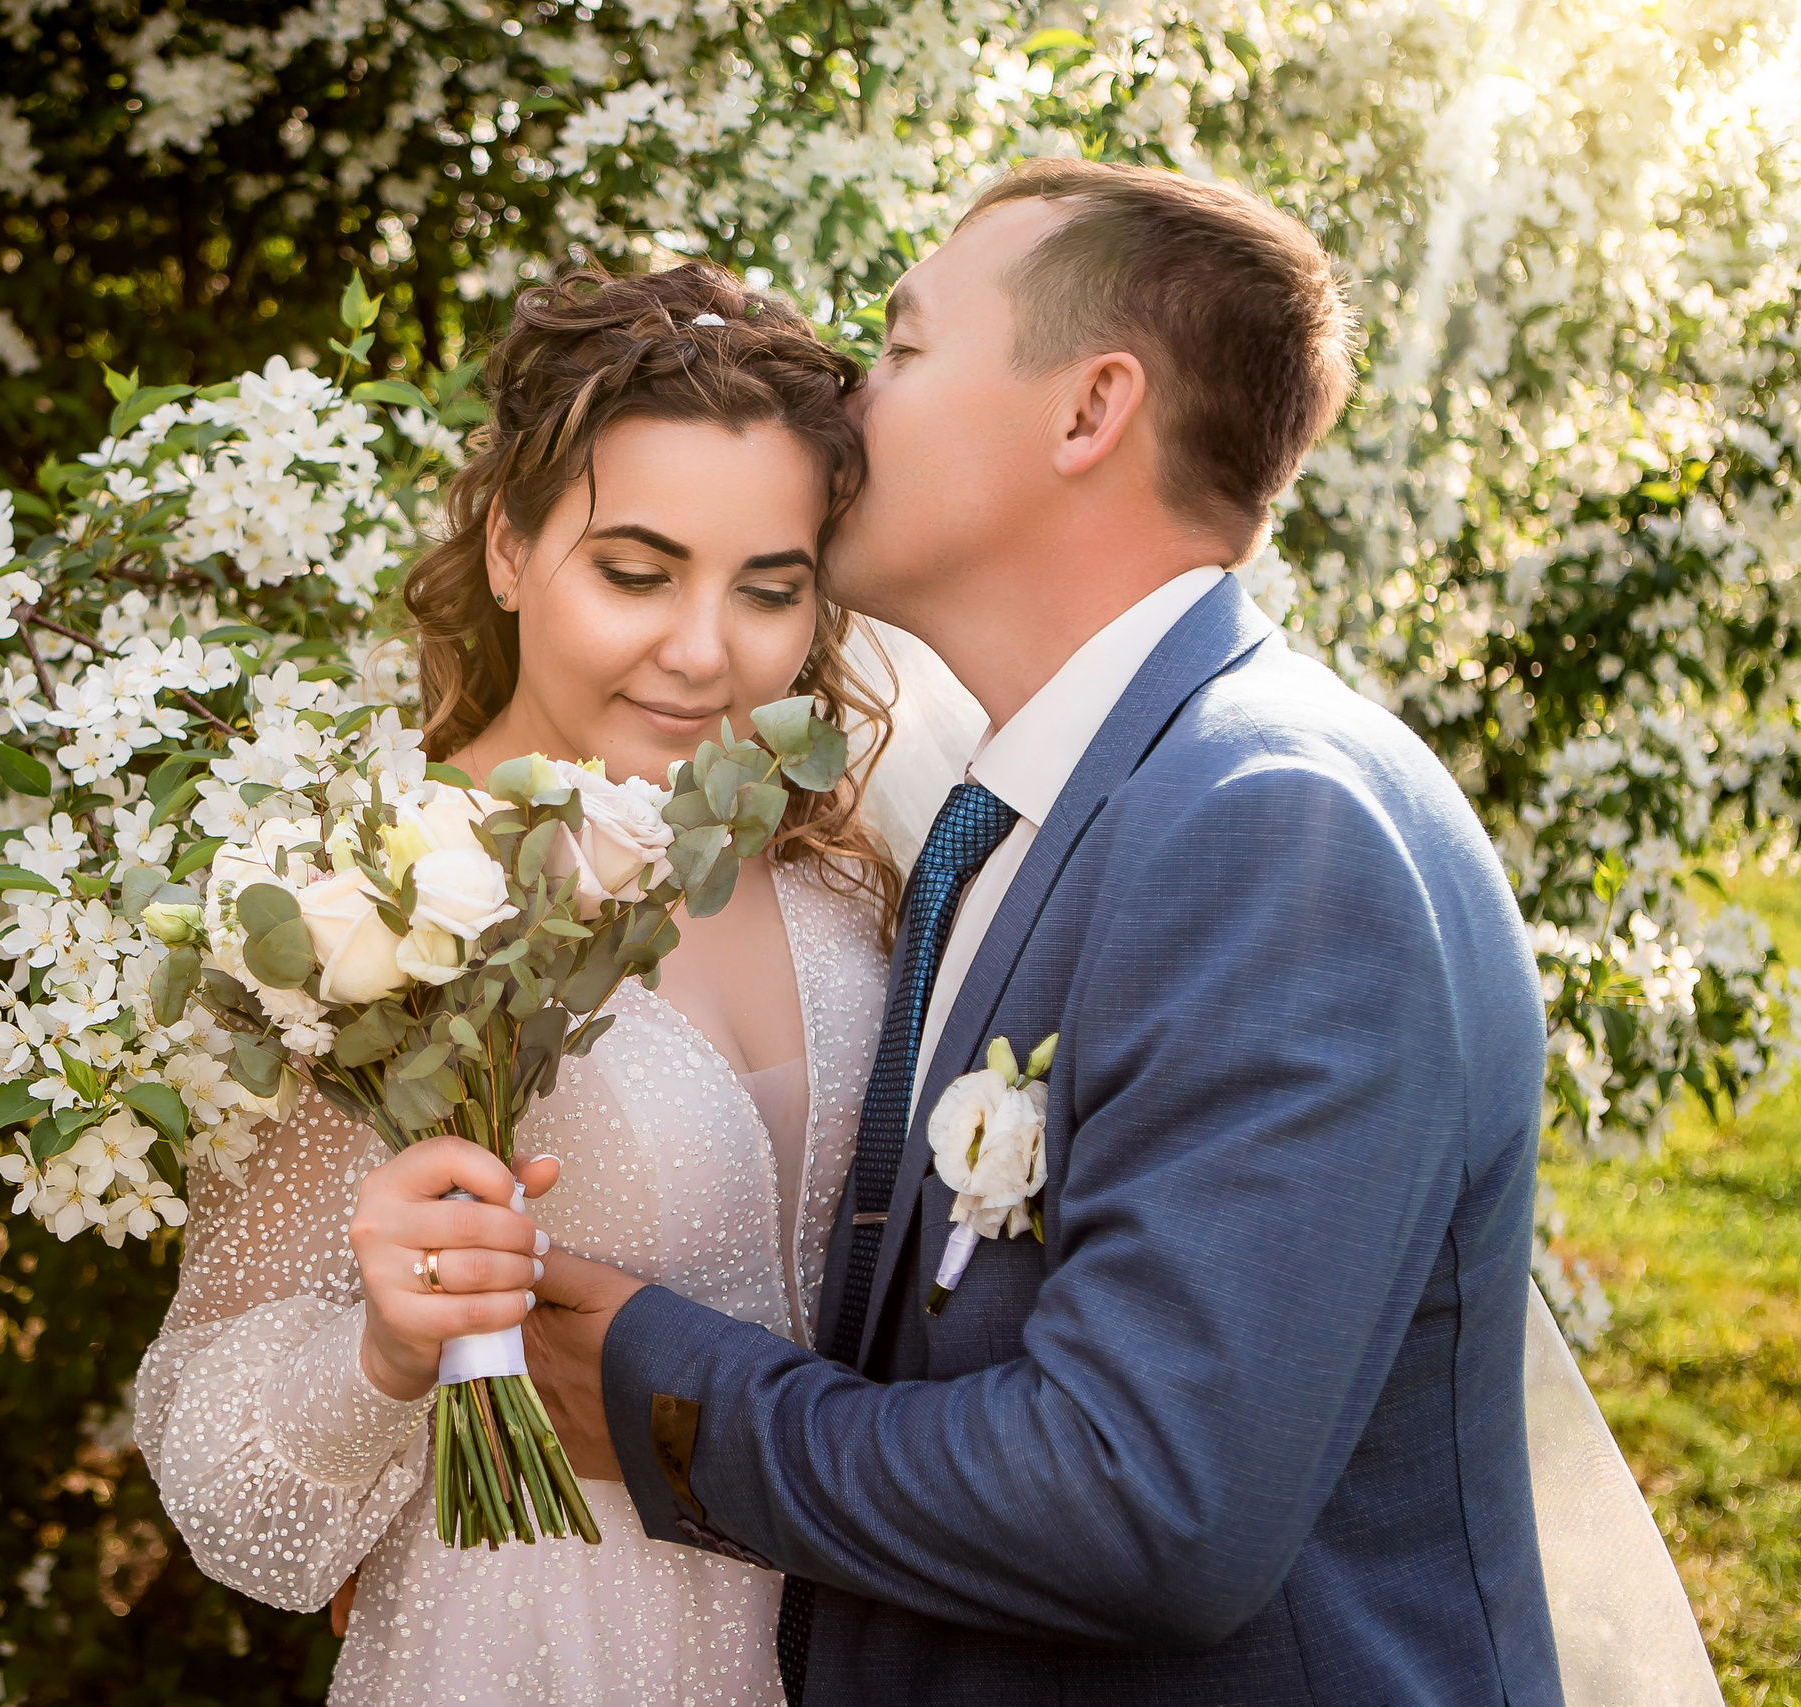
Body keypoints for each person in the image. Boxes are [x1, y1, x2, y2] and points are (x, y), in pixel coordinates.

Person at [513, 159, 1577, 1704]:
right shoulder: (1056, 803)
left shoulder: (1270, 827)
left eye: (905, 346)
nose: (847, 410)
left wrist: (658, 1395)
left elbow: (1144, 1504)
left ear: (1088, 413)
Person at [129, 262, 901, 1705]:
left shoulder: (844, 869)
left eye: (769, 588)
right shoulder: (375, 904)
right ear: (506, 548)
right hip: (538, 1648)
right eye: (635, 570)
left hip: (869, 1638)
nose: (701, 650)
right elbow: (215, 1469)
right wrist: (382, 1351)